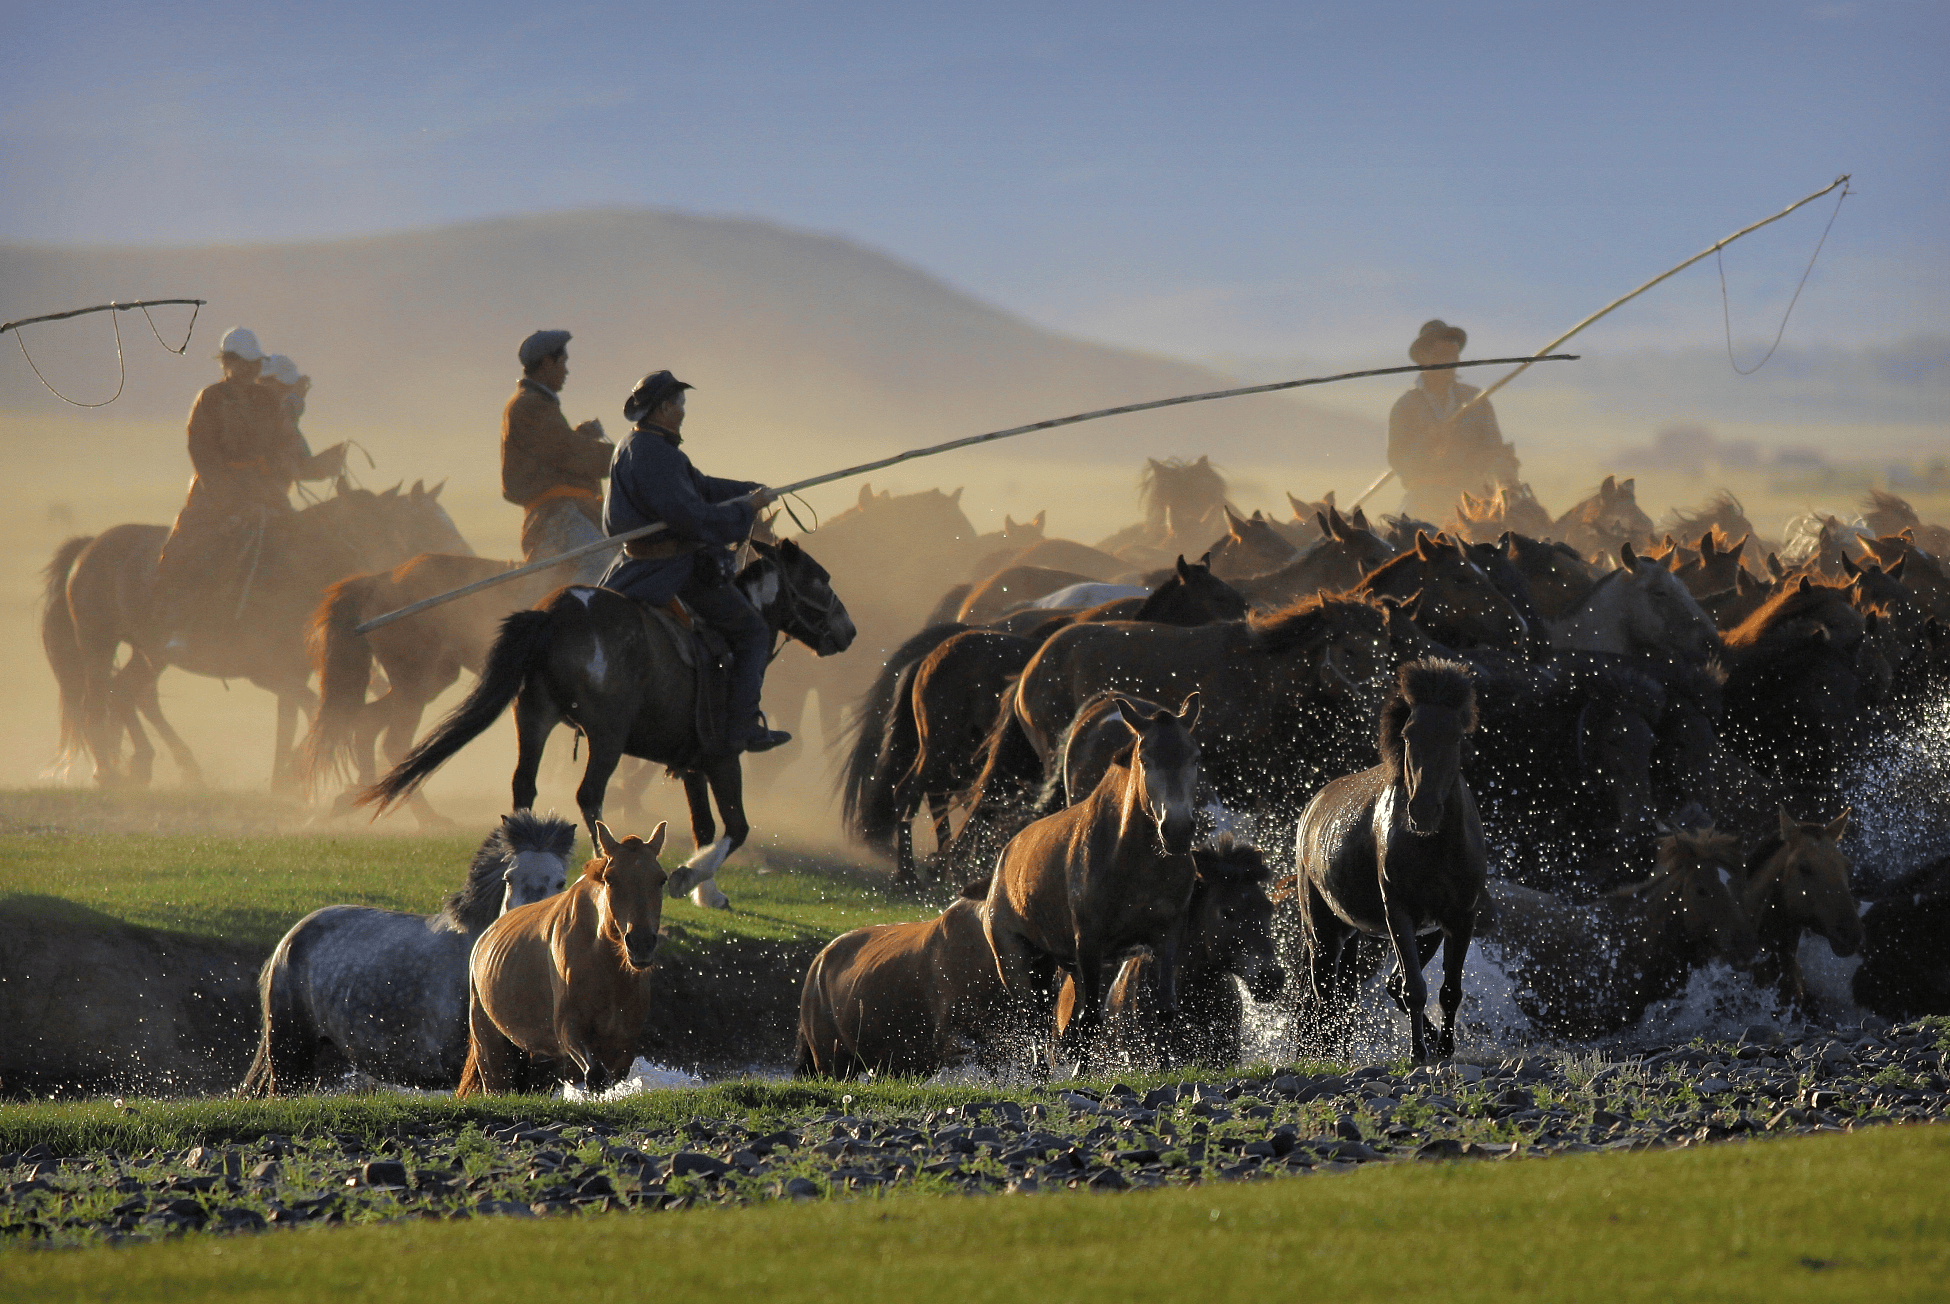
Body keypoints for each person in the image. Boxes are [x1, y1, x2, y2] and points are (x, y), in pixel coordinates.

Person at [599, 371, 788, 753]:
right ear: (664, 407)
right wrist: (743, 514)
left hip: (632, 564)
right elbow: (692, 517)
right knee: (753, 633)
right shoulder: (655, 455)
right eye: (680, 404)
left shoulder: (641, 445)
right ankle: (742, 727)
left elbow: (699, 485)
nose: (683, 411)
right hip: (668, 569)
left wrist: (750, 491)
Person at [153, 328, 344, 649]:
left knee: (302, 542)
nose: (253, 368)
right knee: (185, 550)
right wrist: (231, 499)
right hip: (216, 494)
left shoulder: (265, 400)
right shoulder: (211, 399)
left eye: (256, 363)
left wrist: (317, 466)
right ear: (229, 363)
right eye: (246, 362)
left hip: (263, 491)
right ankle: (180, 623)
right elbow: (202, 452)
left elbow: (282, 444)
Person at [500, 329, 613, 584]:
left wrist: (580, 435)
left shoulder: (535, 404)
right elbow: (569, 453)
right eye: (563, 363)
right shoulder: (530, 405)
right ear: (547, 363)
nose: (566, 371)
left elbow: (554, 449)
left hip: (560, 515)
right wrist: (625, 456)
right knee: (606, 568)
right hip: (558, 517)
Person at [1387, 319, 1521, 523]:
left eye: (1453, 355)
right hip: (1425, 501)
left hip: (1475, 501)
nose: (1450, 362)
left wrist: (1503, 474)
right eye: (1441, 355)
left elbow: (1494, 449)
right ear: (1423, 359)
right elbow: (1398, 460)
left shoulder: (1477, 400)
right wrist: (1427, 445)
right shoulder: (1405, 407)